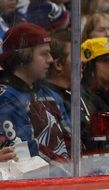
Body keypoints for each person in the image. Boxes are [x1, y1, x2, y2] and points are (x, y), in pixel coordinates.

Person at [0, 22, 71, 162]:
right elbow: (24, 157)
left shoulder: (51, 95)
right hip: (40, 179)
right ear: (23, 56)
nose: (50, 59)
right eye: (44, 54)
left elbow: (71, 142)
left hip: (66, 177)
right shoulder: (6, 98)